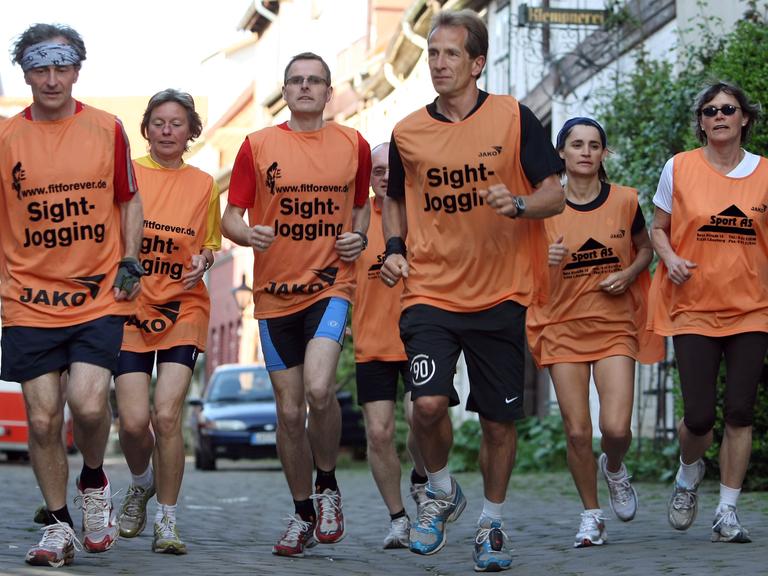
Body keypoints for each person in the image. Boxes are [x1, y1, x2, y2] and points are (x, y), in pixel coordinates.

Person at [380, 9, 564, 572]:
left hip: (501, 292)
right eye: (432, 54)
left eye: (450, 54)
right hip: (430, 290)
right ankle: (439, 491)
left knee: (496, 421)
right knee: (428, 404)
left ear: (477, 62)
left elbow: (555, 193)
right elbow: (395, 196)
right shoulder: (408, 131)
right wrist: (394, 245)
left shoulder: (513, 117)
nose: (437, 63)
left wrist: (520, 204)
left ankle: (491, 523)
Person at [0, 23, 144, 567]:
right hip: (28, 298)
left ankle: (93, 478)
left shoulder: (107, 128)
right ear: (25, 72)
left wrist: (130, 257)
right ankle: (58, 525)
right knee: (41, 419)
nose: (52, 79)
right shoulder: (6, 138)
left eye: (62, 67)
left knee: (86, 404)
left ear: (78, 69)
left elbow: (129, 199)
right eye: (40, 68)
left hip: (98, 294)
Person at [221, 51, 371, 558]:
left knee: (319, 388)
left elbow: (362, 204)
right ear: (285, 92)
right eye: (296, 81)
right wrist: (249, 234)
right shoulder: (257, 146)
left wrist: (358, 237)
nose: (306, 88)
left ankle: (328, 487)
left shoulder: (354, 144)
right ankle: (303, 510)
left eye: (315, 81)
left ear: (330, 93)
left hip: (330, 286)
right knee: (288, 413)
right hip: (273, 295)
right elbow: (230, 218)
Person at [526, 117, 662, 548]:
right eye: (576, 144)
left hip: (613, 326)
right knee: (578, 432)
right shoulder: (543, 207)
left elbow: (645, 247)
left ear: (604, 154)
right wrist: (543, 259)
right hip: (561, 326)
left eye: (594, 145)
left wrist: (630, 273)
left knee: (616, 428)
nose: (585, 151)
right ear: (561, 153)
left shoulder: (624, 201)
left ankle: (615, 467)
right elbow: (517, 270)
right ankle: (591, 515)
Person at [649, 81, 768, 543]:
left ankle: (727, 511)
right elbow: (658, 228)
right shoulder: (678, 167)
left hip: (752, 310)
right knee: (699, 417)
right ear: (701, 121)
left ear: (745, 119)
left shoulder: (765, 173)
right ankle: (687, 473)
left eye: (729, 109)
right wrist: (670, 257)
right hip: (694, 308)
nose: (720, 116)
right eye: (711, 110)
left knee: (740, 411)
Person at [114, 89, 221, 555]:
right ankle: (141, 482)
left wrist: (206, 260)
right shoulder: (129, 174)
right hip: (131, 307)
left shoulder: (203, 184)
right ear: (146, 128)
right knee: (136, 423)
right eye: (158, 122)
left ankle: (168, 522)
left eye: (177, 123)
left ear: (191, 130)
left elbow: (210, 243)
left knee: (166, 414)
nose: (167, 131)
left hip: (183, 307)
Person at [351, 141, 428, 549]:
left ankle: (421, 477)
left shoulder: (420, 213)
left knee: (421, 419)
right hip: (372, 344)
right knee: (379, 434)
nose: (383, 177)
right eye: (377, 171)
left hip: (420, 337)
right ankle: (399, 520)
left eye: (390, 170)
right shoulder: (357, 219)